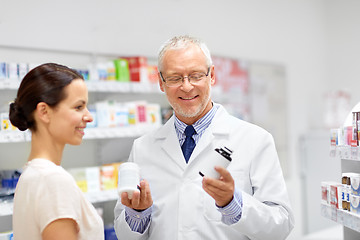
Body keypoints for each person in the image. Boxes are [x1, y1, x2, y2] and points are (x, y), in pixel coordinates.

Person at [114, 35, 294, 240]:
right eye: (174, 78)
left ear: (212, 76)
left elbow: (280, 226)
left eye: (196, 75)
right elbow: (124, 234)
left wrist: (233, 204)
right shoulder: (142, 148)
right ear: (161, 82)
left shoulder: (255, 140)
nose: (187, 86)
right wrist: (138, 214)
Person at [10, 63, 104, 240]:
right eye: (78, 107)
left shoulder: (31, 174)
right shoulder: (52, 181)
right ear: (44, 112)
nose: (89, 116)